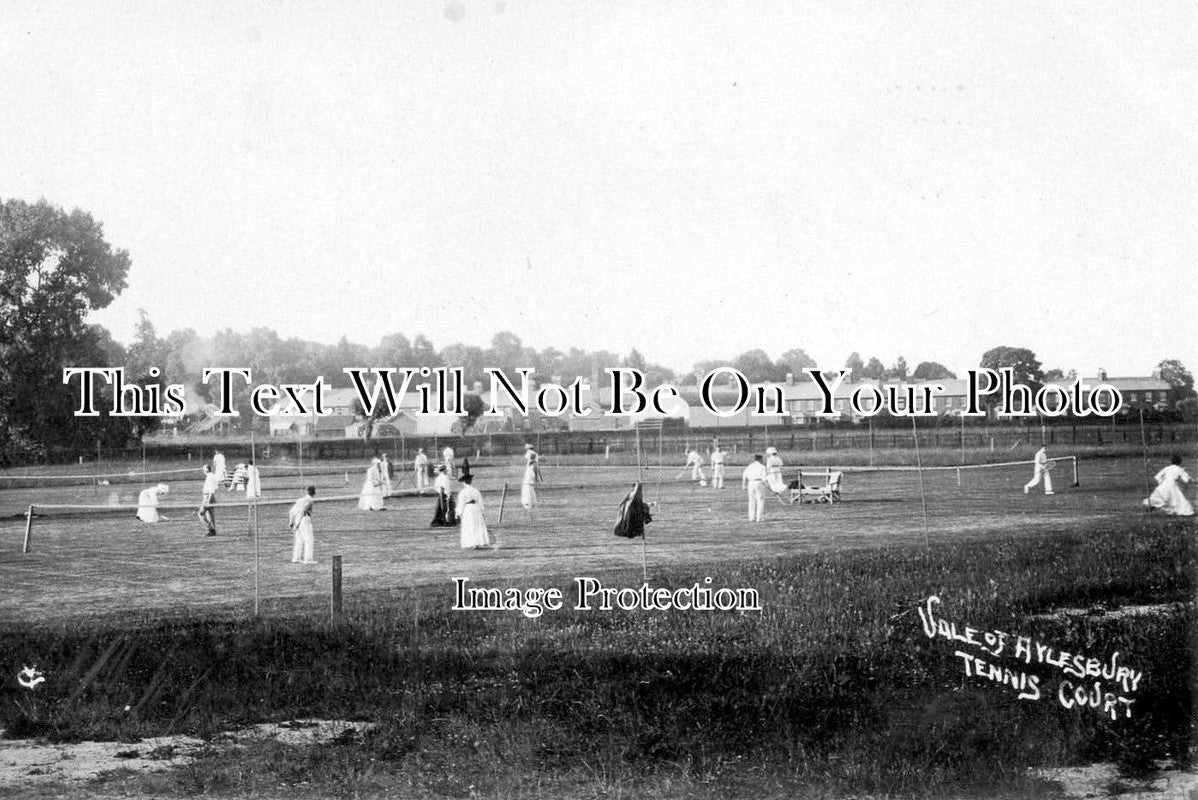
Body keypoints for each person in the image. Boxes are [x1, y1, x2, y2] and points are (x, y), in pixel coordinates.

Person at [456, 473, 491, 549]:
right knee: (476, 525)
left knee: (469, 525)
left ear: (464, 482)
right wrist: (482, 511)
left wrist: (458, 513)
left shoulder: (463, 492)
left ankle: (471, 543)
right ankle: (477, 542)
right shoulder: (475, 490)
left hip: (468, 509)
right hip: (476, 508)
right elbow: (480, 502)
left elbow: (461, 503)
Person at [288, 486, 317, 564]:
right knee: (309, 540)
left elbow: (291, 512)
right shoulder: (310, 500)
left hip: (297, 519)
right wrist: (298, 523)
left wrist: (291, 522)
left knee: (299, 540)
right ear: (314, 492)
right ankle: (308, 559)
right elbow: (303, 511)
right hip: (304, 520)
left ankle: (296, 558)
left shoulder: (300, 500)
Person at [742, 455, 768, 522]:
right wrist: (767, 486)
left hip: (750, 483)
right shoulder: (762, 467)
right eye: (762, 459)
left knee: (751, 500)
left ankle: (751, 518)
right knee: (760, 500)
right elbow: (764, 479)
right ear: (760, 460)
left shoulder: (750, 466)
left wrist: (743, 485)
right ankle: (759, 518)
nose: (763, 461)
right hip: (758, 482)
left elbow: (744, 475)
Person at [197, 464, 219, 536]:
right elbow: (216, 487)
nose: (203, 470)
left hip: (208, 498)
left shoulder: (209, 477)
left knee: (200, 514)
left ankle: (210, 530)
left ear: (206, 470)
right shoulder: (212, 476)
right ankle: (213, 530)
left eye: (203, 469)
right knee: (211, 515)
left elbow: (211, 491)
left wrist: (207, 501)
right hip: (210, 497)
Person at [521, 444, 541, 509]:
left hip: (530, 474)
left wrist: (537, 477)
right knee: (529, 487)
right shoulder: (533, 454)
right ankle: (532, 502)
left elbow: (535, 466)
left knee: (527, 487)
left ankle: (528, 502)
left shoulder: (531, 454)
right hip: (530, 473)